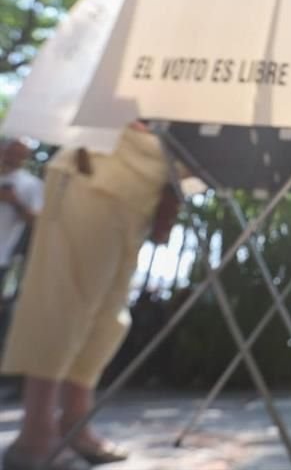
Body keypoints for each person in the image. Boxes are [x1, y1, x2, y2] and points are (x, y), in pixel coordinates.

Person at [1, 122, 181, 470]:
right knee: (64, 300)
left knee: (107, 314)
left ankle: (75, 423)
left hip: (147, 179)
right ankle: (35, 433)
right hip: (96, 164)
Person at [0, 139, 43, 291]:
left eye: (19, 154)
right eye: (10, 152)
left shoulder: (31, 184)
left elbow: (36, 222)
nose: (12, 157)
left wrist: (14, 201)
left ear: (25, 157)